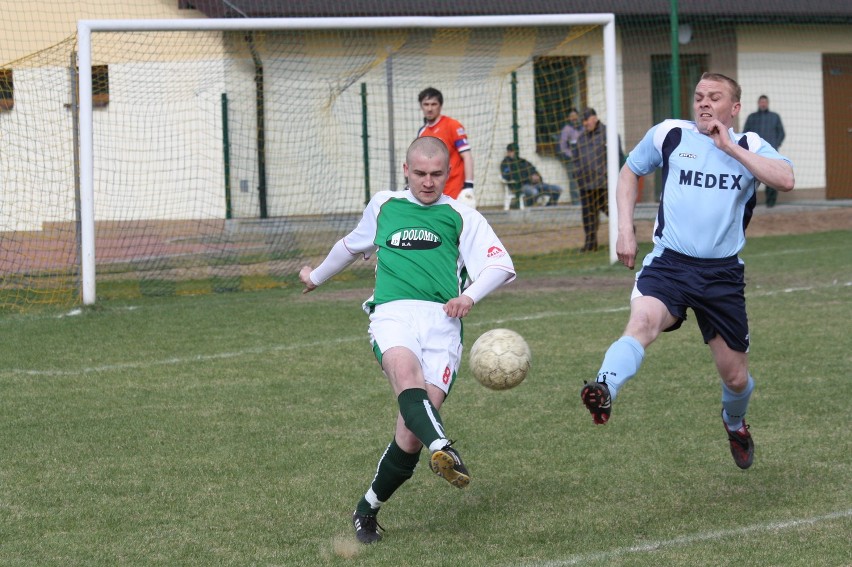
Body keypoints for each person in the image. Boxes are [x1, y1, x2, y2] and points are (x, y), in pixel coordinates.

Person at [299, 136, 515, 544]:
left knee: (410, 433)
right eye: (419, 174)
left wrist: (469, 296)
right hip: (392, 312)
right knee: (404, 373)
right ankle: (445, 449)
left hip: (442, 322)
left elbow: (499, 264)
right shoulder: (384, 205)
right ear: (405, 170)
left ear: (448, 173)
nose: (428, 182)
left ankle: (367, 508)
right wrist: (315, 277)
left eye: (436, 174)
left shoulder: (461, 216)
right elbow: (349, 246)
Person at [579, 73, 795, 471]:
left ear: (734, 109)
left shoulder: (749, 145)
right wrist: (625, 229)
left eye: (715, 97)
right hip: (670, 265)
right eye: (699, 97)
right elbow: (630, 172)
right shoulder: (670, 134)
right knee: (642, 323)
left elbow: (785, 178)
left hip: (722, 276)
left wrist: (728, 146)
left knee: (735, 379)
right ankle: (604, 386)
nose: (704, 104)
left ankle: (734, 422)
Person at [417, 87, 475, 206]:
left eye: (434, 104)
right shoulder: (422, 132)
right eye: (426, 104)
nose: (429, 108)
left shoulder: (452, 125)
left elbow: (467, 156)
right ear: (421, 106)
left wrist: (469, 186)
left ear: (440, 106)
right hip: (432, 192)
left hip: (455, 191)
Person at [573, 108, 621, 252]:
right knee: (588, 215)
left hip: (603, 184)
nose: (585, 124)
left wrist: (609, 176)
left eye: (587, 120)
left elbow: (618, 156)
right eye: (583, 122)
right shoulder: (581, 138)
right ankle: (590, 244)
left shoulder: (609, 134)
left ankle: (627, 231)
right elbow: (575, 159)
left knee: (611, 211)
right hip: (585, 184)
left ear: (594, 118)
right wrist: (578, 174)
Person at [742, 95, 786, 207]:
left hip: (770, 154)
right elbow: (745, 133)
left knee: (771, 176)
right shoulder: (752, 117)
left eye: (765, 102)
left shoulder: (775, 117)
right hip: (754, 154)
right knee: (750, 177)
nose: (763, 104)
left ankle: (771, 202)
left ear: (767, 103)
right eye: (761, 102)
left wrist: (775, 144)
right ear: (758, 103)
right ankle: (747, 202)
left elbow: (781, 133)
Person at [500, 143, 563, 207]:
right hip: (521, 186)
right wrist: (528, 178)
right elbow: (507, 176)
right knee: (534, 192)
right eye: (512, 151)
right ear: (508, 152)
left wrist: (537, 177)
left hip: (535, 184)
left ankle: (549, 207)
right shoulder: (505, 163)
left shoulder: (523, 161)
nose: (514, 153)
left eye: (515, 151)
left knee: (557, 189)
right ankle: (525, 206)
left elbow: (534, 170)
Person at [558, 107, 583, 204]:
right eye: (571, 116)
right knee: (573, 181)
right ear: (568, 118)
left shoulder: (583, 128)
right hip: (572, 160)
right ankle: (576, 202)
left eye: (575, 115)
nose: (574, 118)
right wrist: (572, 155)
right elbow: (562, 146)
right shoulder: (566, 129)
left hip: (583, 159)